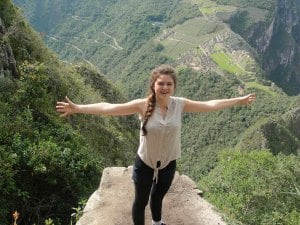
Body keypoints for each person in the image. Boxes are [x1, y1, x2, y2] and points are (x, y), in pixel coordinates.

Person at [56, 64, 256, 225]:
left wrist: (238, 100)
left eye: (169, 84)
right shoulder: (142, 105)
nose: (165, 87)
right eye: (161, 83)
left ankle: (157, 222)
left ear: (174, 86)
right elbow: (109, 108)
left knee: (158, 197)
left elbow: (210, 105)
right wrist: (78, 108)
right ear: (154, 85)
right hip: (145, 161)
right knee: (141, 201)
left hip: (169, 161)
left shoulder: (180, 104)